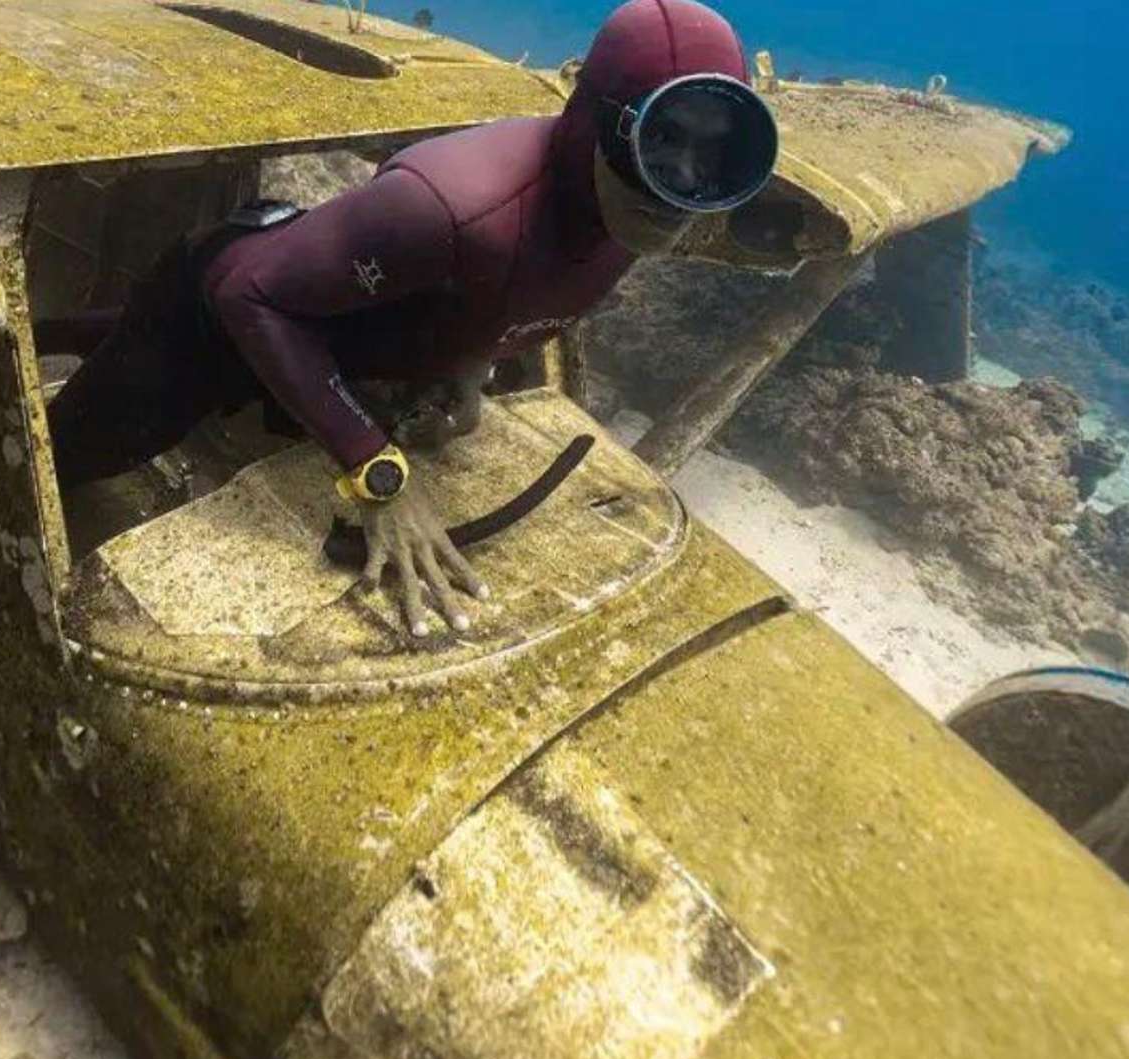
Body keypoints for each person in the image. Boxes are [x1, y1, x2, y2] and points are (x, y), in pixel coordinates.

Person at [47, 0, 777, 638]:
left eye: (716, 156)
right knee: (72, 457)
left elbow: (503, 297)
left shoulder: (626, 207)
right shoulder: (450, 208)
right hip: (210, 312)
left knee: (121, 340)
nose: (679, 187)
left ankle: (70, 331)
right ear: (595, 122)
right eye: (660, 140)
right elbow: (246, 293)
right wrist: (377, 472)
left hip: (324, 332)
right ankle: (47, 348)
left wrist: (466, 368)